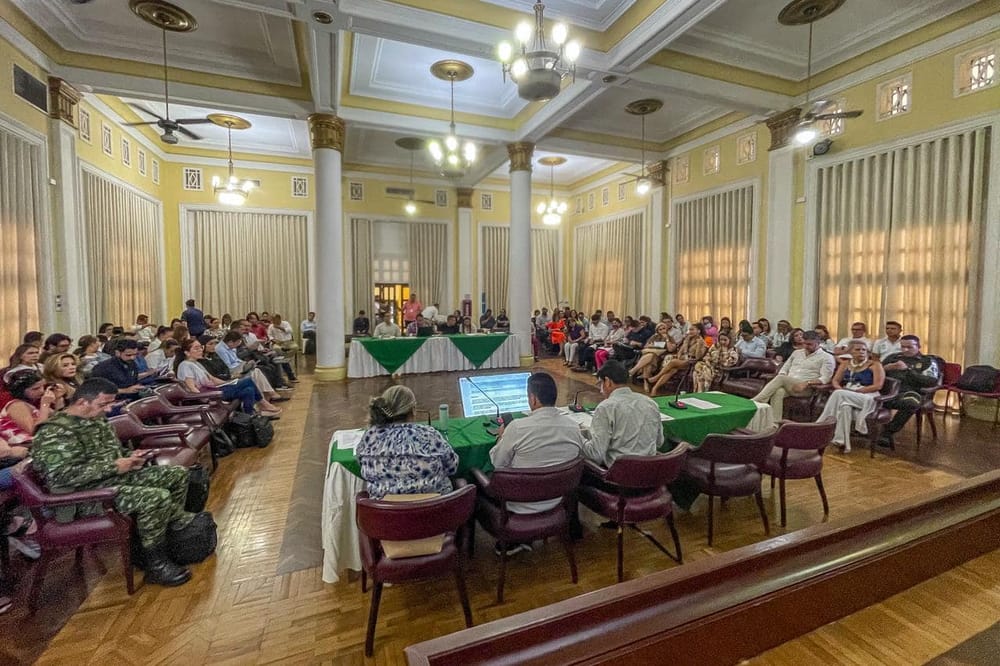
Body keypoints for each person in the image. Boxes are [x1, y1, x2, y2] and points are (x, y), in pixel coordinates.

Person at [31, 377, 201, 587]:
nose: (109, 409)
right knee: (156, 498)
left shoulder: (96, 419)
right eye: (104, 404)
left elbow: (113, 452)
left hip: (110, 481)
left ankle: (169, 538)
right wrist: (114, 467)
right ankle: (155, 563)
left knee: (176, 474)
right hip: (82, 498)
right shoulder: (54, 432)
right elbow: (60, 476)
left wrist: (132, 457)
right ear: (83, 402)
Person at [487, 373, 583, 553]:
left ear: (533, 399)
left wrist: (501, 438)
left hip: (519, 505)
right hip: (558, 503)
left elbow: (497, 463)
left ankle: (507, 542)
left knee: (477, 483)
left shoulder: (517, 427)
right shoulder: (573, 426)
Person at [355, 385, 458, 499]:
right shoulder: (430, 434)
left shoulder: (370, 436)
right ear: (413, 410)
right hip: (435, 512)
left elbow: (361, 464)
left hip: (386, 514)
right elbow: (452, 467)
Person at [581, 361, 663, 468]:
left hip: (619, 476)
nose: (600, 390)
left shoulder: (605, 407)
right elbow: (659, 442)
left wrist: (578, 438)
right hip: (650, 472)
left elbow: (595, 455)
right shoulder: (650, 403)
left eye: (600, 384)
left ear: (607, 381)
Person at [174, 339, 281, 417]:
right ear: (187, 352)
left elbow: (213, 379)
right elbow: (191, 388)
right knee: (248, 381)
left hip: (216, 389)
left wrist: (230, 382)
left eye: (200, 347)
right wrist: (206, 400)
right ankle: (264, 404)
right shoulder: (185, 365)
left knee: (248, 390)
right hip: (210, 394)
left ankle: (250, 416)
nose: (200, 350)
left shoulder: (197, 363)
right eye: (196, 348)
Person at [816, 341, 885, 453]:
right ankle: (842, 442)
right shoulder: (845, 364)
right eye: (857, 350)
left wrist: (857, 391)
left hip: (868, 395)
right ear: (850, 352)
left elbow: (878, 385)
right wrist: (839, 388)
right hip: (847, 394)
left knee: (839, 394)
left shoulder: (875, 365)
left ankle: (820, 425)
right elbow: (835, 381)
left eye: (864, 350)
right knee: (844, 407)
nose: (861, 352)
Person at [752, 331, 835, 417]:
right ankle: (775, 424)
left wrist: (807, 383)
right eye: (804, 344)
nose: (806, 347)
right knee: (778, 392)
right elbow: (785, 368)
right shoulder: (797, 353)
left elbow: (825, 378)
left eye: (810, 344)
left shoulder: (827, 357)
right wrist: (784, 376)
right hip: (789, 384)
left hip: (806, 388)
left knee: (781, 378)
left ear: (818, 343)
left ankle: (757, 401)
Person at [878, 335, 942, 447]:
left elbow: (931, 381)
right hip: (886, 391)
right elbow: (874, 373)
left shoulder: (927, 361)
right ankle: (861, 429)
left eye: (909, 347)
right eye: (902, 347)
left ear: (919, 346)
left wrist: (908, 370)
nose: (905, 350)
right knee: (864, 397)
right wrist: (884, 369)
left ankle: (888, 431)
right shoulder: (893, 357)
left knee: (911, 402)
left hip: (909, 391)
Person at [0, 370, 60, 445]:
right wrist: (45, 404)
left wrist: (58, 398)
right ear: (21, 390)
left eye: (43, 386)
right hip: (23, 447)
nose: (42, 391)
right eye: (35, 389)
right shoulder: (16, 405)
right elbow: (34, 431)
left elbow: (58, 418)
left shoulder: (31, 404)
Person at [648, 322, 709, 395]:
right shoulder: (687, 339)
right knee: (672, 370)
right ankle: (655, 389)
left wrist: (699, 345)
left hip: (692, 362)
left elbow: (698, 357)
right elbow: (680, 352)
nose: (690, 332)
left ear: (698, 331)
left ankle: (656, 377)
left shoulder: (702, 342)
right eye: (689, 330)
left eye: (692, 330)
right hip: (683, 360)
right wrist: (681, 356)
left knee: (673, 362)